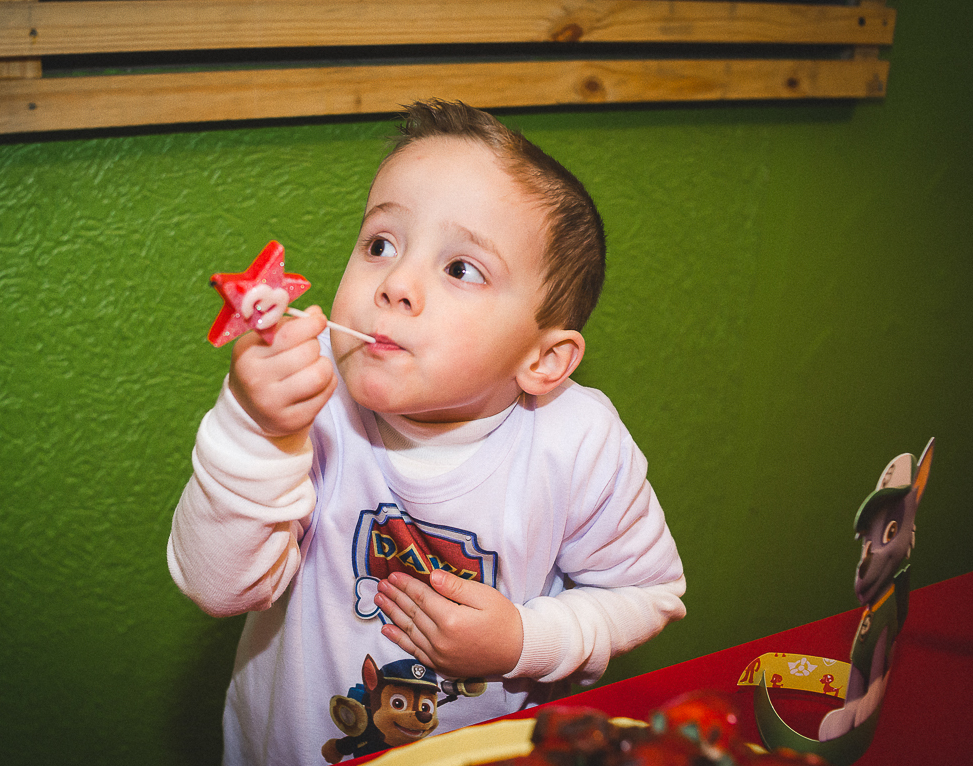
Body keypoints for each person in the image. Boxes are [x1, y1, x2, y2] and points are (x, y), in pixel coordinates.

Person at [168, 99, 686, 765]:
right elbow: (219, 588)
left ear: (544, 360)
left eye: (461, 268)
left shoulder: (578, 443)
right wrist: (255, 431)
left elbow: (648, 595)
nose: (395, 284)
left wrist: (522, 641)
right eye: (380, 245)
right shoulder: (306, 399)